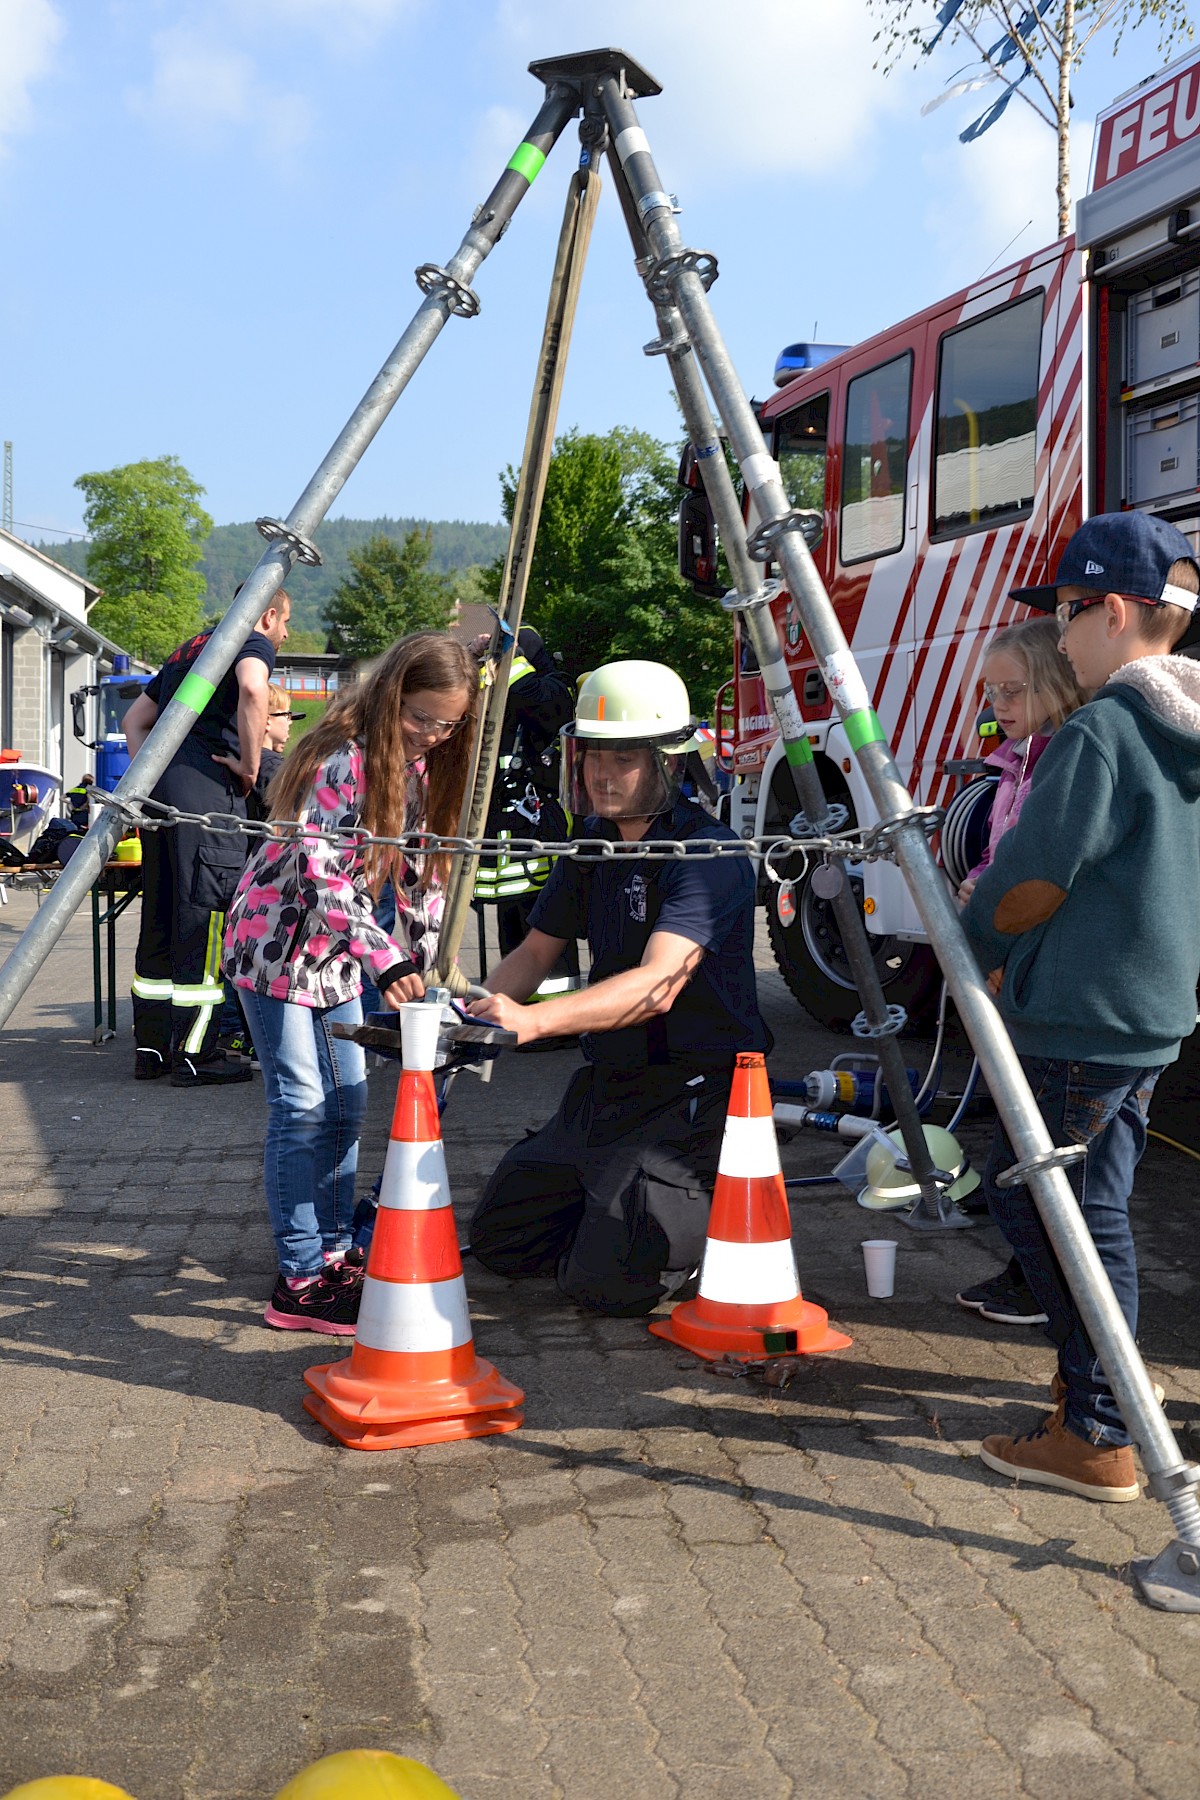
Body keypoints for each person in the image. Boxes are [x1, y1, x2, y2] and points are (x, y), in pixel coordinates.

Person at [961, 511, 1200, 1503]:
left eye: (1064, 613)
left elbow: (1033, 876)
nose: (1057, 637)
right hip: (1147, 1009)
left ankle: (1102, 1428)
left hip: (1079, 1013)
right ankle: (1095, 1388)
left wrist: (979, 954)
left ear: (1111, 611)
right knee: (1077, 1196)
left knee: (1060, 1205)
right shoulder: (1183, 722)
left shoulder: (1104, 728)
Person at [466, 659, 768, 1317]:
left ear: (668, 760)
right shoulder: (592, 845)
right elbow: (535, 951)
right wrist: (470, 1014)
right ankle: (612, 1195)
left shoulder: (705, 854)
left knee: (603, 1287)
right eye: (591, 756)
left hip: (695, 1093)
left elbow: (658, 986)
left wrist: (534, 1023)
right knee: (501, 1243)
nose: (600, 774)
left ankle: (696, 1204)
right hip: (609, 1088)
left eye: (623, 758)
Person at [223, 633, 478, 1334]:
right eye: (421, 716)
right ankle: (299, 1277)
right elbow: (325, 875)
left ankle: (336, 1253)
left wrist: (432, 974)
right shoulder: (344, 760)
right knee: (301, 1104)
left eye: (448, 723)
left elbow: (420, 886)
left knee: (348, 1101)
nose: (431, 734)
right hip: (274, 951)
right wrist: (388, 962)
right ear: (393, 694)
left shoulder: (419, 776)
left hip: (336, 962)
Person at [953, 618, 1088, 1327]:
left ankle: (1051, 1292)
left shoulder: (1067, 759)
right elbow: (998, 850)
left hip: (1036, 973)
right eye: (991, 692)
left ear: (1056, 683)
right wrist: (977, 881)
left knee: (1033, 1160)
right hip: (1015, 965)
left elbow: (1044, 870)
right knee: (1026, 1140)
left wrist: (991, 917)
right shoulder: (1016, 762)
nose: (999, 705)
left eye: (1015, 690)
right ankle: (1034, 1274)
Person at [123, 590, 291, 1087]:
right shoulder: (250, 641)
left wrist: (148, 780)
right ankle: (197, 1055)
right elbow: (255, 691)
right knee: (204, 923)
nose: (284, 635)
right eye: (285, 623)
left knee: (159, 922)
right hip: (210, 805)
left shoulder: (189, 650)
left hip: (159, 804)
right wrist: (251, 764)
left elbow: (136, 721)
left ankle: (151, 1052)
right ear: (267, 613)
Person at [470, 625, 577, 983]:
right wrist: (470, 659)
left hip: (536, 834)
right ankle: (511, 1003)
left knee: (543, 923)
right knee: (511, 927)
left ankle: (555, 1020)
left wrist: (511, 658)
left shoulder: (553, 687)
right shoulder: (497, 689)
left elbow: (542, 704)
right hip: (501, 839)